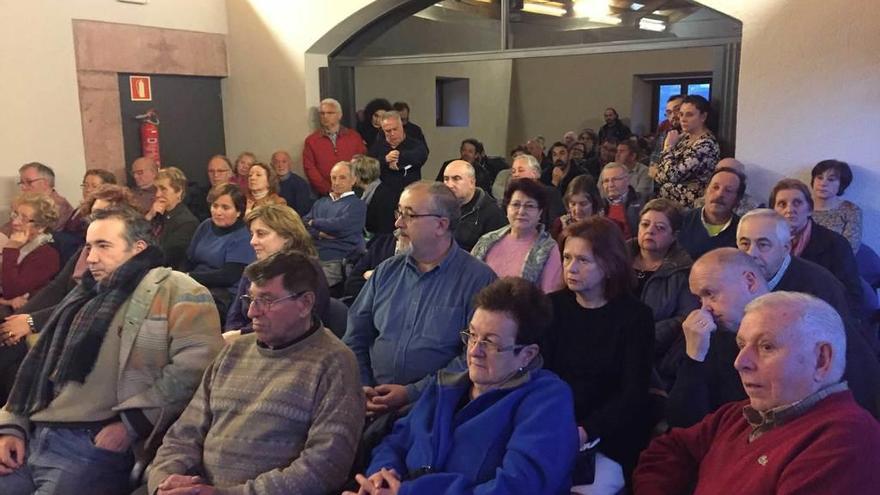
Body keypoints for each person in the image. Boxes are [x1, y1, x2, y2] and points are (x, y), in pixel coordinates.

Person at [0, 206, 223, 495]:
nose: (91, 258)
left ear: (139, 248)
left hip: (92, 441)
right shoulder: (82, 295)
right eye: (89, 246)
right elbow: (36, 367)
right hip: (34, 434)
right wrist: (11, 426)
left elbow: (196, 367)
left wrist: (132, 425)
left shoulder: (175, 289)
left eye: (103, 246)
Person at [148, 251, 363, 495]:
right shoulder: (234, 352)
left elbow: (325, 467)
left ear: (305, 304)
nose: (251, 312)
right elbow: (184, 434)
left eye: (267, 300)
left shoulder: (334, 363)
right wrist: (164, 481)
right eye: (250, 299)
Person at [347, 278, 577, 495]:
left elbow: (517, 487)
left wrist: (412, 491)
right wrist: (382, 475)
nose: (474, 350)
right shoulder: (446, 386)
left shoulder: (547, 402)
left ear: (527, 354)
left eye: (490, 342)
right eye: (473, 335)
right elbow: (395, 441)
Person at [634, 292, 880, 495]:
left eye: (766, 346)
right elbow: (669, 449)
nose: (740, 362)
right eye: (741, 345)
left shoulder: (845, 442)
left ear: (821, 359)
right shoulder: (740, 415)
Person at [666, 248, 880, 428]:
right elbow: (683, 424)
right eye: (699, 298)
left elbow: (863, 396)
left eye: (710, 294)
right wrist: (694, 358)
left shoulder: (806, 321)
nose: (705, 308)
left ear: (749, 281)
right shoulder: (709, 335)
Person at [344, 181, 496, 416]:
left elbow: (474, 356)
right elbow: (356, 336)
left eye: (409, 215)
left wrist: (411, 392)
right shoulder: (386, 271)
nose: (398, 223)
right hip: (370, 401)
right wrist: (362, 385)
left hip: (435, 408)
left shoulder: (478, 279)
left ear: (441, 225)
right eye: (399, 212)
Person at [544, 217, 654, 493]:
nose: (571, 268)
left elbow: (632, 394)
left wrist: (585, 430)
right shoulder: (553, 306)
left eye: (583, 260)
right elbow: (540, 374)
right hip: (553, 421)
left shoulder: (635, 317)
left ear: (608, 265)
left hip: (607, 434)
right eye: (567, 257)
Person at [0, 185, 139, 404]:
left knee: (11, 353)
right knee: (8, 342)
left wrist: (30, 320)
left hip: (84, 321)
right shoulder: (83, 250)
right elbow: (56, 288)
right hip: (61, 312)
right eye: (94, 214)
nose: (97, 220)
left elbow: (91, 301)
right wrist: (18, 320)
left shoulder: (122, 255)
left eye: (105, 214)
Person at [225, 204, 330, 335]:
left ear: (287, 237)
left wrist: (241, 335)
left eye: (261, 234)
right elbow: (234, 316)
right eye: (252, 234)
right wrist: (232, 337)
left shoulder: (308, 272)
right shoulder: (253, 269)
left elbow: (295, 324)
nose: (252, 241)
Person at [770, 178, 864, 319]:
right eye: (782, 204)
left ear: (809, 209)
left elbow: (852, 297)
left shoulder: (836, 244)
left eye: (797, 203)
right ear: (773, 212)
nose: (789, 210)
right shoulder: (765, 242)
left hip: (820, 318)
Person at [630, 199, 698, 385]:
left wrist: (643, 336)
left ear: (674, 236)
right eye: (645, 224)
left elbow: (685, 317)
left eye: (659, 228)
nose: (649, 231)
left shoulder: (684, 270)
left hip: (654, 354)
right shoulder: (619, 257)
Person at [472, 179, 562, 293]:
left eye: (529, 206)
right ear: (507, 208)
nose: (521, 211)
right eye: (515, 204)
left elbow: (550, 296)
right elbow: (468, 280)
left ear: (540, 212)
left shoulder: (549, 249)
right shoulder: (486, 241)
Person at [186, 183, 256, 323]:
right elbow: (189, 259)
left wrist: (189, 277)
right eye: (215, 205)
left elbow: (229, 276)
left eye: (225, 207)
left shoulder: (242, 236)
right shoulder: (206, 225)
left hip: (223, 293)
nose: (218, 212)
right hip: (196, 284)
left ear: (238, 212)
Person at [304, 161, 367, 286]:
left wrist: (314, 222)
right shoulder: (321, 202)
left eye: (342, 178)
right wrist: (320, 233)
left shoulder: (357, 205)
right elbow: (302, 225)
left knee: (307, 288)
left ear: (353, 180)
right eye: (334, 178)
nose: (337, 182)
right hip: (311, 258)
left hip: (337, 261)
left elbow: (341, 227)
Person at [653, 95, 720, 207]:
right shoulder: (683, 137)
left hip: (689, 206)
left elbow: (671, 175)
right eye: (681, 114)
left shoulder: (706, 144)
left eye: (689, 115)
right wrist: (660, 173)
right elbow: (658, 168)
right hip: (669, 204)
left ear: (703, 117)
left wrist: (668, 147)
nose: (683, 119)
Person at [0, 194, 60, 314]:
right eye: (15, 215)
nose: (15, 222)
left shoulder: (46, 255)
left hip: (19, 315)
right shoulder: (19, 244)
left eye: (24, 219)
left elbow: (12, 291)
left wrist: (11, 249)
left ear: (41, 227)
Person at [303, 98, 367, 196]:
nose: (325, 116)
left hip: (353, 190)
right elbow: (310, 169)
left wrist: (352, 184)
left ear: (339, 115)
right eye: (322, 113)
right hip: (325, 193)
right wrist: (328, 189)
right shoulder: (312, 141)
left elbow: (362, 162)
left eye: (330, 113)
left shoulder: (353, 137)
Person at [677, 166, 744, 260]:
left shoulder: (742, 231)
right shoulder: (683, 221)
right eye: (715, 187)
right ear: (705, 190)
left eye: (728, 190)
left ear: (738, 200)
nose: (719, 194)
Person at [442, 160, 507, 252]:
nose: (449, 185)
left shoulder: (492, 212)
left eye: (456, 178)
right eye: (446, 179)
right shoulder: (439, 206)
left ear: (472, 182)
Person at [53, 168, 116, 261]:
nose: (88, 190)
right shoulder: (79, 209)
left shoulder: (106, 212)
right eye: (85, 185)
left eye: (94, 186)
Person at [145, 166, 199, 270]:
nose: (157, 194)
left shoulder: (187, 222)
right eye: (156, 189)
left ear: (178, 191)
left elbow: (164, 257)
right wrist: (149, 216)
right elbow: (135, 236)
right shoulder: (157, 214)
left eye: (163, 189)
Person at [367, 111, 428, 194]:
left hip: (410, 192)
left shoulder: (415, 144)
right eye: (388, 131)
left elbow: (422, 156)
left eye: (395, 129)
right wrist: (385, 160)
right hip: (384, 194)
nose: (392, 133)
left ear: (401, 126)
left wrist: (398, 157)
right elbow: (368, 167)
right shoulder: (377, 146)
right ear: (383, 130)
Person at [4, 162, 73, 233]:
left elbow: (42, 235)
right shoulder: (24, 204)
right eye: (22, 183)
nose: (23, 187)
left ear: (45, 183)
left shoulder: (58, 206)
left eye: (29, 182)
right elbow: (9, 227)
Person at [810, 159, 862, 253]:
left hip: (834, 263)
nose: (823, 184)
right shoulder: (802, 206)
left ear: (841, 184)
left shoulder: (851, 210)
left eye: (831, 179)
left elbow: (849, 249)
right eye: (819, 177)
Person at [510, 154, 566, 223]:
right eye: (513, 171)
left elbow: (555, 224)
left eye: (521, 170)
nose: (516, 174)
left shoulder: (550, 193)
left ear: (535, 173)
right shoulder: (510, 195)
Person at [549, 174, 601, 243]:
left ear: (594, 204)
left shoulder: (604, 227)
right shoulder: (559, 225)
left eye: (583, 204)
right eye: (573, 204)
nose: (577, 210)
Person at [599, 162, 644, 239]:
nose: (610, 185)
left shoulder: (643, 201)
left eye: (615, 179)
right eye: (606, 181)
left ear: (627, 180)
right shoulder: (598, 205)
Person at [188, 154, 234, 221]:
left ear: (230, 173)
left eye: (220, 171)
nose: (215, 175)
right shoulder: (198, 197)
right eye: (211, 171)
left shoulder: (237, 196)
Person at [271, 150, 314, 216]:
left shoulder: (300, 184)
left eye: (284, 162)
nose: (280, 165)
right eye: (276, 162)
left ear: (290, 164)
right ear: (272, 165)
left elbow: (303, 211)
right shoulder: (270, 182)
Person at [649, 94, 683, 166]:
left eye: (677, 110)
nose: (673, 116)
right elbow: (653, 164)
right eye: (669, 112)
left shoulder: (697, 138)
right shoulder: (664, 133)